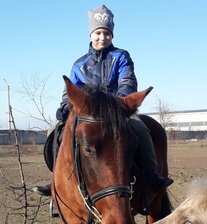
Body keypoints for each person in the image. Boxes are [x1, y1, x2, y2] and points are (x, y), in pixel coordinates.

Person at [33, 5, 173, 196]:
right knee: (55, 130)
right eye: (98, 32)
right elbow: (70, 90)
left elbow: (127, 82)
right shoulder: (79, 64)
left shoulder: (121, 57)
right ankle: (57, 180)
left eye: (107, 33)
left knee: (140, 128)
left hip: (115, 112)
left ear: (112, 35)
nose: (102, 37)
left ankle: (151, 175)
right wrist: (66, 105)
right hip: (88, 115)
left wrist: (116, 104)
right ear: (91, 34)